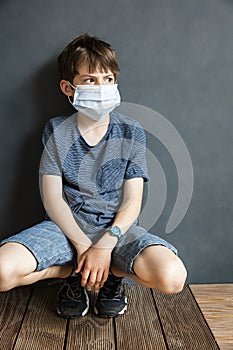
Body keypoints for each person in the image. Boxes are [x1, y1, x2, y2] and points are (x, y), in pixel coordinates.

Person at [0, 33, 187, 319]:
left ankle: (109, 274)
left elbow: (132, 201)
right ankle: (77, 273)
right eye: (90, 80)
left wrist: (105, 244)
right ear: (68, 87)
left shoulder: (131, 130)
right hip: (65, 230)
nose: (102, 86)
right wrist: (83, 246)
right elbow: (53, 199)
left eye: (108, 79)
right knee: (2, 271)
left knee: (173, 277)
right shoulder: (56, 130)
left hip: (118, 231)